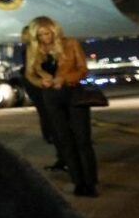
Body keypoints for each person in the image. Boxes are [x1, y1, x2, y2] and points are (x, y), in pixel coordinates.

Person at [24, 16, 98, 197]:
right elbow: (29, 73)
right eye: (40, 35)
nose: (45, 37)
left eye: (47, 33)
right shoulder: (33, 49)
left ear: (54, 31)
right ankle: (78, 182)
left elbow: (83, 69)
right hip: (51, 97)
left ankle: (90, 182)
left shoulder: (71, 43)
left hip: (73, 93)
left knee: (83, 140)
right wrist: (42, 82)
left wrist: (64, 79)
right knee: (65, 141)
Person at [18, 24, 65, 171]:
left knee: (55, 127)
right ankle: (63, 158)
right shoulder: (31, 51)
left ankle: (64, 159)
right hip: (42, 94)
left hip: (45, 94)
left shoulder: (36, 51)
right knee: (54, 126)